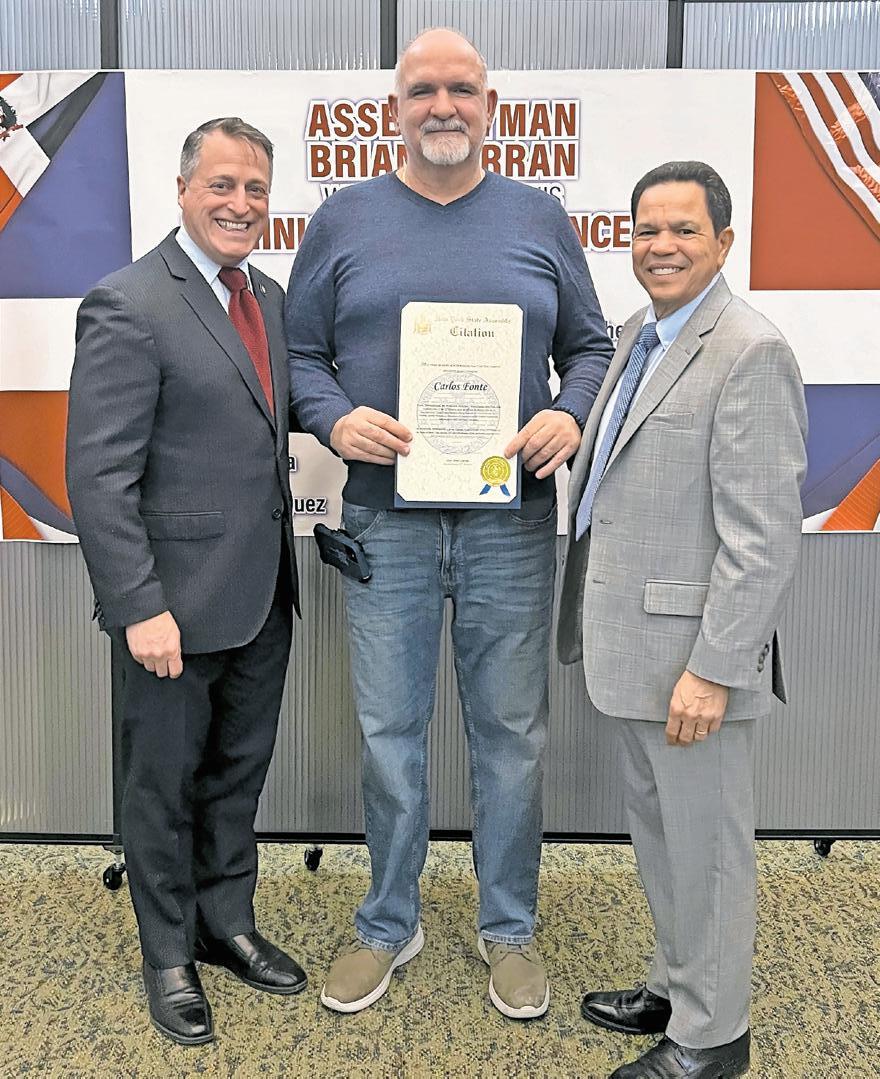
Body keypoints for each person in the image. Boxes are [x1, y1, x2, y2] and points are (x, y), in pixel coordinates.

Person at [286, 28, 612, 1018]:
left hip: (509, 526)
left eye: (460, 89)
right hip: (384, 520)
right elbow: (298, 355)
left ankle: (507, 925)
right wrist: (334, 419)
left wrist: (570, 411)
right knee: (389, 732)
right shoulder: (343, 219)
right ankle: (389, 920)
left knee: (510, 734)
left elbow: (591, 348)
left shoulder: (537, 217)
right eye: (422, 89)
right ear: (395, 109)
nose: (442, 106)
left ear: (489, 105)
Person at [557, 161, 807, 1078]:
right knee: (665, 841)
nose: (661, 246)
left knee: (708, 855)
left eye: (685, 229)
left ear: (725, 241)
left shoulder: (749, 350)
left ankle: (713, 1038)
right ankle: (678, 987)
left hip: (694, 665)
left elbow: (762, 538)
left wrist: (714, 668)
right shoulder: (640, 333)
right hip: (637, 651)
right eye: (647, 230)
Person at [66, 117, 306, 1046]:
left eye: (255, 188)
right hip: (170, 609)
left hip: (261, 597)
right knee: (160, 788)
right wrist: (139, 607)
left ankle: (224, 922)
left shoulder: (268, 297)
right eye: (222, 185)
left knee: (237, 775)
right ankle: (167, 952)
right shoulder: (128, 302)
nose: (241, 204)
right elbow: (99, 475)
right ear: (182, 191)